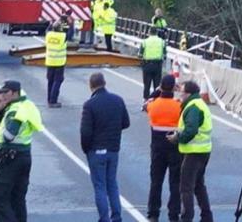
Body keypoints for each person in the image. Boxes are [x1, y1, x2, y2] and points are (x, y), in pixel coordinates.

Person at [81, 73, 130, 222]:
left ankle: (104, 218)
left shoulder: (89, 105)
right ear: (105, 82)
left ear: (91, 85)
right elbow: (126, 123)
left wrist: (86, 149)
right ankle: (117, 216)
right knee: (112, 185)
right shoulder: (118, 100)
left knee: (100, 187)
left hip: (96, 150)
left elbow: (85, 132)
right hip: (113, 149)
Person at [0, 81, 43, 222]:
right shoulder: (27, 105)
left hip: (10, 157)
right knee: (18, 199)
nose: (3, 95)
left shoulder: (15, 110)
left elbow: (8, 136)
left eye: (5, 92)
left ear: (14, 92)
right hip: (24, 155)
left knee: (0, 198)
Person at [167, 80, 214, 222]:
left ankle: (187, 217)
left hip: (194, 152)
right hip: (203, 151)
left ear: (188, 93)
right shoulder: (199, 104)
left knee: (186, 187)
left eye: (181, 91)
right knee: (199, 185)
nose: (180, 93)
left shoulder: (193, 107)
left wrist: (177, 137)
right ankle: (206, 216)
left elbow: (191, 130)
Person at [144, 75, 182, 222]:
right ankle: (174, 214)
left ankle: (153, 213)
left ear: (160, 87)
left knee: (156, 182)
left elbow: (146, 101)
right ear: (174, 88)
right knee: (175, 182)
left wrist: (158, 90)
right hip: (174, 148)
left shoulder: (153, 105)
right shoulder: (179, 106)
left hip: (157, 148)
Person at [45, 20, 69, 108]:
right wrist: (65, 20)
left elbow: (47, 30)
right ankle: (53, 101)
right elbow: (67, 30)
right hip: (59, 62)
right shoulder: (63, 36)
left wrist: (51, 24)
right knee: (57, 81)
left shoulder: (49, 35)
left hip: (50, 61)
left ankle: (49, 99)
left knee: (50, 81)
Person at [139, 26, 167, 100]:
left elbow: (140, 55)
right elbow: (165, 55)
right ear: (157, 32)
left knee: (147, 85)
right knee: (157, 85)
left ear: (149, 32)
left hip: (147, 64)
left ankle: (146, 101)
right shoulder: (162, 42)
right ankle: (156, 100)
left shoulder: (144, 41)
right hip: (157, 65)